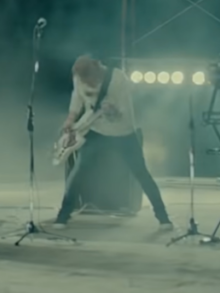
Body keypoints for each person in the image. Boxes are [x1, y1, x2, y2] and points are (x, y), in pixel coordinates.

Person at [52, 55, 172, 230]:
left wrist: (112, 112)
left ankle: (163, 218)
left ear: (96, 72)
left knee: (141, 173)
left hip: (123, 132)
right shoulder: (80, 77)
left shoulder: (118, 79)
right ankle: (63, 216)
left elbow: (123, 112)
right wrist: (70, 119)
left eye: (89, 80)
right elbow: (76, 98)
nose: (86, 84)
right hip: (95, 130)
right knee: (79, 172)